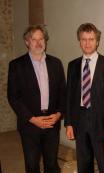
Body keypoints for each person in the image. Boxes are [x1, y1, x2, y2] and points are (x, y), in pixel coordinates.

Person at [7, 25, 66, 173]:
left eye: (42, 39)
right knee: (32, 165)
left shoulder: (56, 63)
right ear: (27, 42)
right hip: (30, 124)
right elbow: (13, 97)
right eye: (34, 39)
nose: (39, 43)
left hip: (52, 122)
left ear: (45, 41)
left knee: (51, 164)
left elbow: (63, 93)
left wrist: (58, 114)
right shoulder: (16, 65)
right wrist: (33, 119)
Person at [64, 23, 104, 173]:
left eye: (91, 39)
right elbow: (69, 96)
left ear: (97, 41)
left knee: (103, 164)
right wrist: (68, 123)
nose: (87, 43)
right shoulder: (72, 65)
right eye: (83, 39)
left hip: (101, 122)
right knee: (83, 164)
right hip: (79, 120)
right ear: (79, 41)